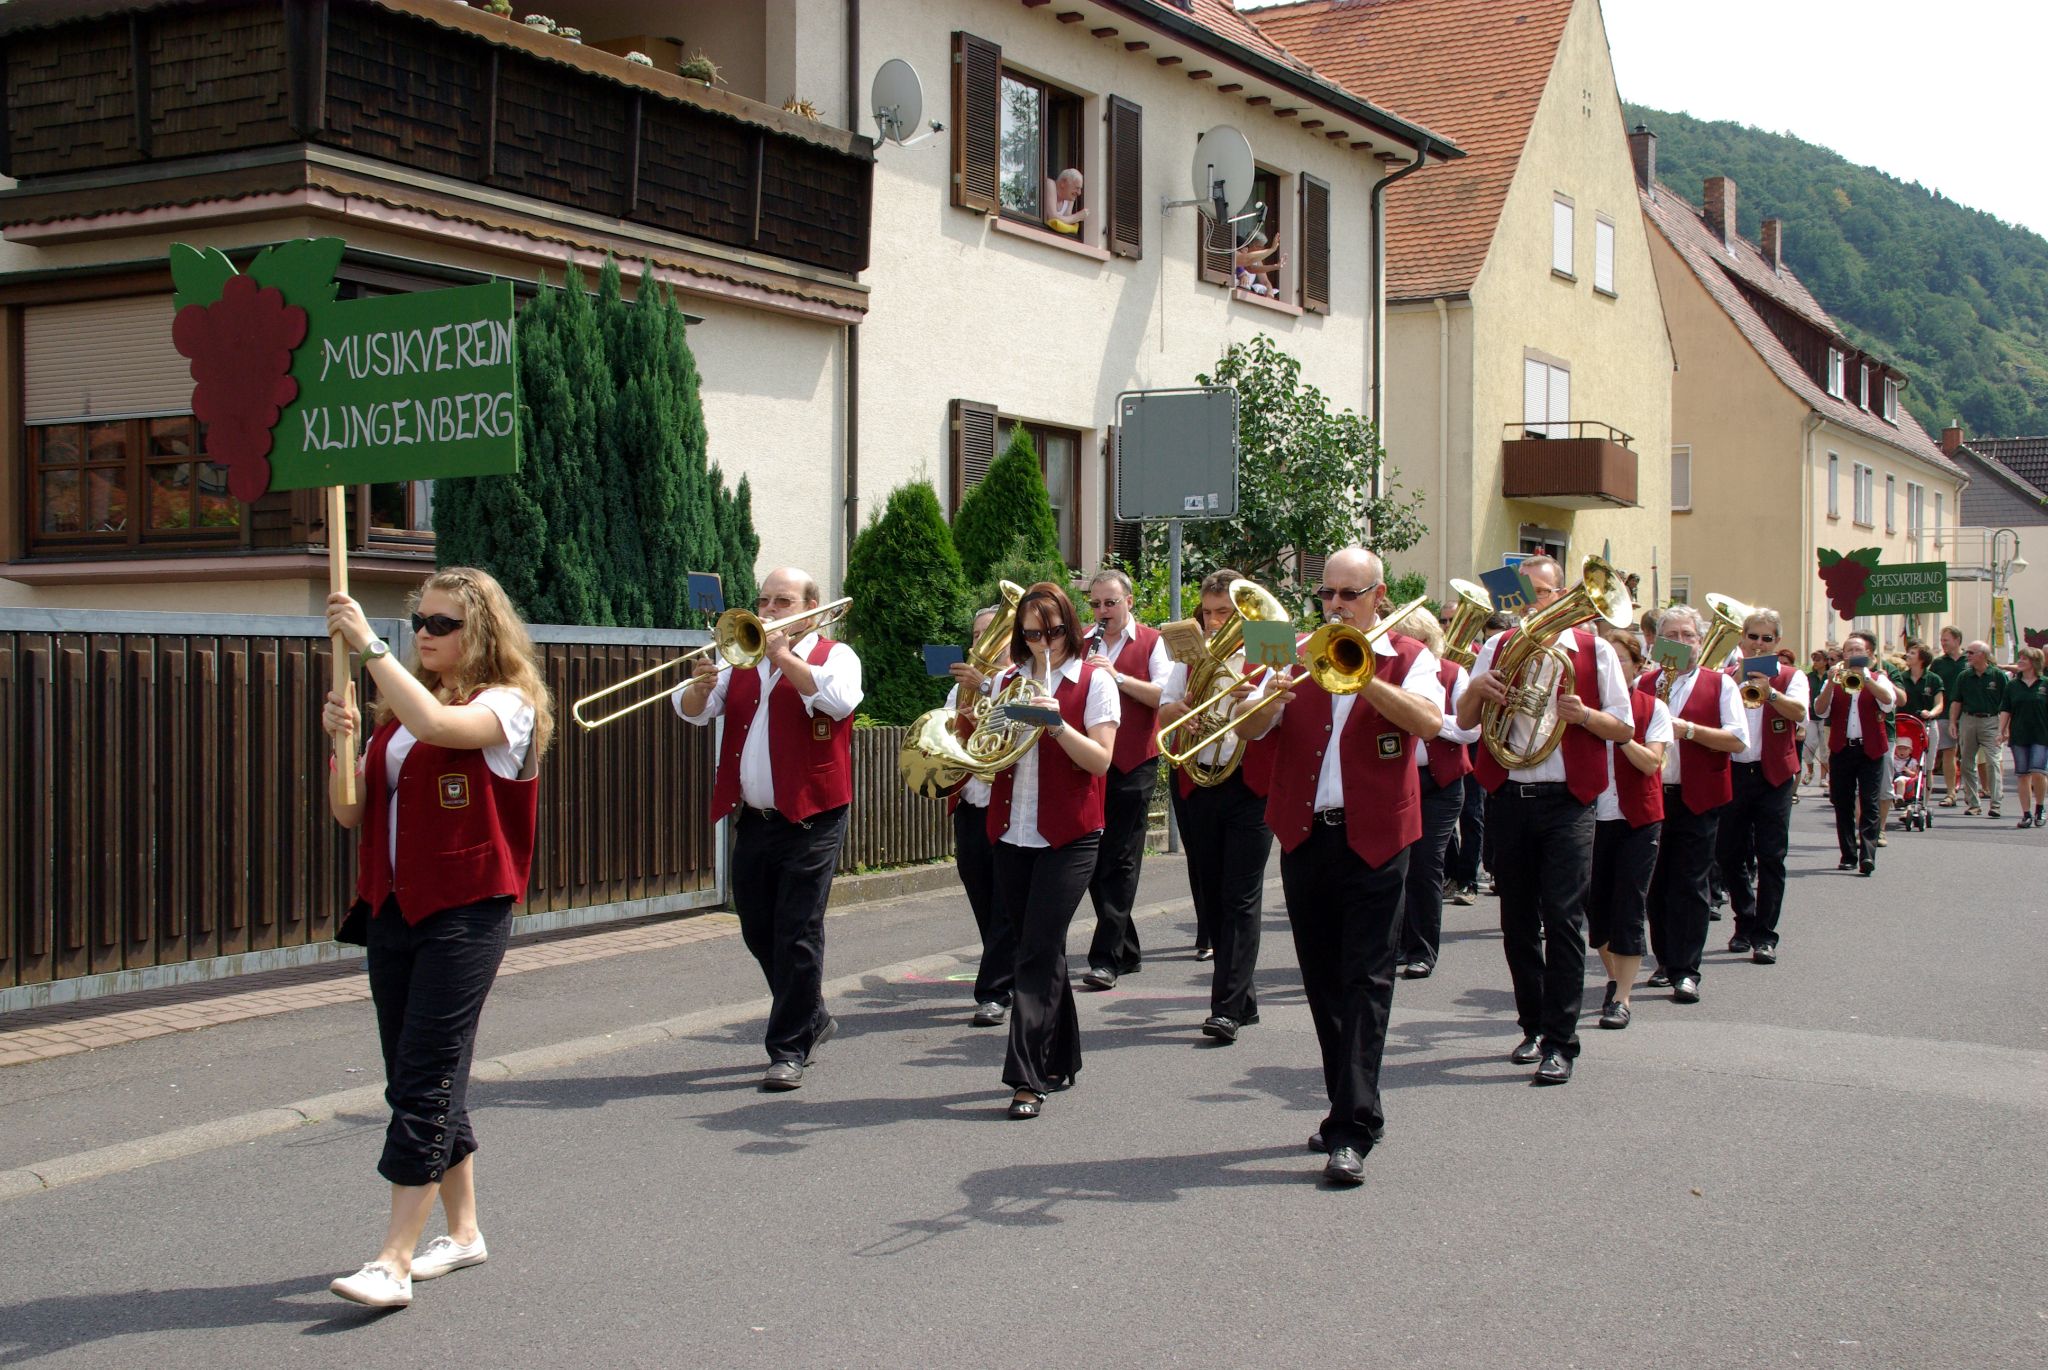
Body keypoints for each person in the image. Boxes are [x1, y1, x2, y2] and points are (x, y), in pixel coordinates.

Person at [319, 569, 552, 1310]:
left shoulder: (508, 705)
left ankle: (391, 1260)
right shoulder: (400, 714)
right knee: (415, 1074)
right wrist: (343, 746)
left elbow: (444, 731)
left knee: (425, 1075)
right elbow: (349, 816)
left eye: (443, 623)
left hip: (466, 909)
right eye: (419, 618)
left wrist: (367, 648)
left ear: (480, 630)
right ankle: (465, 1231)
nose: (424, 631)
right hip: (392, 907)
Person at [1245, 547, 1445, 1185]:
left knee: (1366, 978)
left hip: (1379, 836)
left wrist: (1367, 681)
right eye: (1326, 594)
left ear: (1378, 596)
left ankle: (1352, 1126)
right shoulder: (1292, 649)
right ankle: (1351, 1107)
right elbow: (1247, 733)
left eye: (1348, 595)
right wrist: (1267, 699)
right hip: (1306, 836)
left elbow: (1431, 724)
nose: (1334, 605)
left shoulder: (1410, 659)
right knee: (1323, 979)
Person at [675, 567, 862, 1091]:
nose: (771, 609)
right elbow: (694, 713)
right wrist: (699, 686)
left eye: (784, 600)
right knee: (757, 928)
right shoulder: (739, 659)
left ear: (813, 606)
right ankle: (813, 1016)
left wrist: (783, 655)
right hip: (753, 818)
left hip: (813, 816)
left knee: (797, 929)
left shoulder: (835, 656)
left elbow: (839, 701)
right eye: (765, 600)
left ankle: (788, 1049)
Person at [1459, 556, 1634, 1083]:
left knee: (1562, 919)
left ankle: (1562, 1040)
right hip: (1510, 795)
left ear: (1561, 596)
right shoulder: (1495, 646)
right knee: (1515, 920)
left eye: (1543, 592)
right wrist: (1477, 692)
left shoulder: (1594, 649)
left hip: (1567, 800)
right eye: (1526, 591)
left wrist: (1583, 716)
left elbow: (1623, 729)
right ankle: (1532, 1025)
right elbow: (1465, 724)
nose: (1533, 600)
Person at [983, 582, 1120, 1118]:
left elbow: (1101, 762)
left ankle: (1026, 1077)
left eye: (1056, 631)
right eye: (1033, 633)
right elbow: (990, 754)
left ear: (1070, 627)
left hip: (1072, 835)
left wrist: (1057, 724)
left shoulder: (1094, 683)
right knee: (1037, 947)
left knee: (1036, 952)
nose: (1045, 643)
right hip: (1012, 832)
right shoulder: (1006, 681)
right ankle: (1062, 1057)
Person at [1156, 569, 1277, 1043]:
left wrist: (1259, 701)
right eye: (1207, 613)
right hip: (1199, 782)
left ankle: (1224, 1007)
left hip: (1251, 786)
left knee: (1241, 897)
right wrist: (1186, 705)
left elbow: (1287, 707)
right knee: (1211, 896)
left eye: (1224, 612)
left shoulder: (1271, 641)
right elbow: (1164, 714)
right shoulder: (1190, 658)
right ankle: (1242, 999)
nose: (1213, 622)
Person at [1639, 604, 1748, 1003]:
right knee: (1656, 883)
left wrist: (1689, 730)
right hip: (1654, 794)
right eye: (1672, 636)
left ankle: (1687, 969)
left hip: (1698, 795)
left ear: (1701, 643)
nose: (1681, 643)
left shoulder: (1721, 685)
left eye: (1689, 636)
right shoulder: (1645, 683)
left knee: (1690, 883)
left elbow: (1737, 739)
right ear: (1658, 642)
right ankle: (1665, 962)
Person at [1080, 568, 1169, 989]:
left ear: (1129, 602)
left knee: (1120, 857)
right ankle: (1127, 949)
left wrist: (1115, 676)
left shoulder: (1153, 641)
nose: (1102, 612)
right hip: (1093, 763)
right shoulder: (1081, 641)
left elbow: (1164, 696)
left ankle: (1107, 958)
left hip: (1134, 762)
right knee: (1094, 859)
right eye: (1095, 604)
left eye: (1110, 603)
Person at [1588, 628, 1669, 1029]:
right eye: (1607, 659)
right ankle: (1613, 977)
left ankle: (1622, 996)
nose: (1613, 667)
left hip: (1638, 817)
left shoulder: (1653, 708)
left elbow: (1652, 763)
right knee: (1595, 908)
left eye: (1621, 659)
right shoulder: (1587, 705)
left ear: (1638, 666)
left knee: (1629, 904)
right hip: (1591, 817)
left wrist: (1620, 736)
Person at [1717, 608, 1808, 964]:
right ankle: (1745, 920)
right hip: (1735, 772)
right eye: (1753, 636)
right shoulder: (1725, 677)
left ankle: (1765, 935)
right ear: (1742, 638)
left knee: (1772, 857)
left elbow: (1800, 712)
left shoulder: (1790, 676)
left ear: (1777, 643)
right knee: (1728, 854)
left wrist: (1771, 694)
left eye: (1766, 638)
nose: (1758, 644)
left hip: (1774, 775)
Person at [1395, 609, 1478, 981]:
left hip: (1439, 784)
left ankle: (1422, 949)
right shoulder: (1387, 671)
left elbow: (1468, 731)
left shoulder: (1453, 672)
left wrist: (1425, 718)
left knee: (1426, 864)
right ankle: (1395, 943)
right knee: (1393, 866)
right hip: (1396, 781)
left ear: (1426, 643)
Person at [946, 606, 1010, 1026]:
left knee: (1006, 900)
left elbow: (1019, 724)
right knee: (982, 894)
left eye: (991, 633)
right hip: (970, 802)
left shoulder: (1025, 679)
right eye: (976, 634)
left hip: (1008, 805)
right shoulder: (959, 690)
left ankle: (993, 990)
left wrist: (986, 689)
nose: (980, 642)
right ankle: (1010, 970)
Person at [1813, 629, 1897, 874]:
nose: (1853, 654)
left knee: (1869, 802)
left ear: (1868, 653)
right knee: (1842, 802)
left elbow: (1889, 703)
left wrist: (1867, 679)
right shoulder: (1836, 678)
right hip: (1842, 748)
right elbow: (1820, 710)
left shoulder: (1877, 677)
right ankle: (1848, 854)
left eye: (1858, 650)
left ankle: (1867, 856)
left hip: (1870, 748)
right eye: (1849, 650)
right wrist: (1829, 682)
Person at [1949, 639, 2007, 818]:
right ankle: (1973, 803)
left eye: (1971, 653)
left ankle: (1995, 803)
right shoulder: (1964, 676)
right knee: (1966, 762)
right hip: (1969, 719)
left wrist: (2005, 728)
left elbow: (2007, 704)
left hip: (1991, 720)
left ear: (1983, 655)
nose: (1968, 656)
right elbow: (1956, 701)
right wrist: (1953, 722)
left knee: (1993, 761)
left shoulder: (1997, 676)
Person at [2002, 645, 2047, 829]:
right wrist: (2001, 731)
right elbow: (2006, 709)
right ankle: (2026, 814)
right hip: (2019, 734)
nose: (2019, 662)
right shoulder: (2012, 685)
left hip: (2042, 734)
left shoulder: (2045, 683)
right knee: (2022, 775)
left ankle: (2040, 808)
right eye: (2019, 658)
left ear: (2034, 663)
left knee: (2038, 771)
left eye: (2024, 659)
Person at [1930, 625, 1967, 803]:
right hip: (1945, 713)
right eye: (1942, 640)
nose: (1943, 643)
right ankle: (1951, 792)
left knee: (1968, 754)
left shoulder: (1970, 659)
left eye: (1946, 640)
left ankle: (1970, 790)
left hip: (1968, 713)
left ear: (1957, 640)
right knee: (1948, 751)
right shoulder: (1938, 663)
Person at [1044, 167, 1088, 234]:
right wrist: (1077, 217)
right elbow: (1052, 217)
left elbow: (1066, 222)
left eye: (1080, 189)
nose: (1079, 193)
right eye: (1077, 188)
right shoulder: (1050, 184)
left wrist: (1071, 219)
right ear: (1063, 183)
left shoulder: (1070, 198)